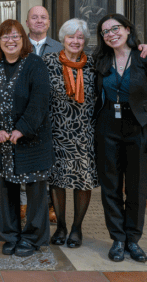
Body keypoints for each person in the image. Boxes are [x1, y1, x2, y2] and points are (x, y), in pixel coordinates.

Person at [0, 19, 52, 258]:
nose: (10, 41)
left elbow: (40, 100)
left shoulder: (35, 64)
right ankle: (9, 235)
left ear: (23, 39)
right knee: (5, 189)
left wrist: (22, 128)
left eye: (15, 36)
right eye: (5, 37)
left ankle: (32, 237)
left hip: (31, 140)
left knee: (35, 192)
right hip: (1, 141)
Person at [93, 14, 147, 263]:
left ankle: (133, 240)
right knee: (110, 186)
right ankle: (118, 238)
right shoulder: (100, 59)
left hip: (139, 128)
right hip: (107, 129)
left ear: (127, 29)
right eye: (105, 32)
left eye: (115, 28)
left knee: (137, 187)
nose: (111, 34)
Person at [42, 19, 98, 249]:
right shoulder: (47, 62)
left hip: (86, 134)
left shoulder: (94, 65)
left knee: (82, 182)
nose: (75, 41)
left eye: (80, 37)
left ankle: (77, 228)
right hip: (56, 132)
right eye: (70, 37)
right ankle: (62, 226)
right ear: (62, 39)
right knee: (57, 180)